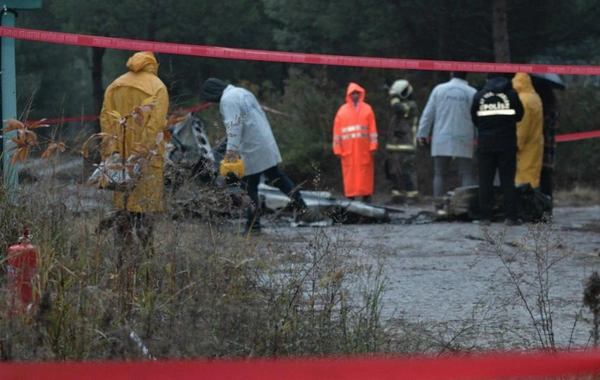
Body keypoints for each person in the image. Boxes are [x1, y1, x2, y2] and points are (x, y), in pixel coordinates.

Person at [200, 78, 307, 235]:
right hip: (263, 141)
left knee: (249, 186)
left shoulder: (227, 100)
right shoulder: (242, 92)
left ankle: (253, 225)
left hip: (252, 147)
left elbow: (234, 126)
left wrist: (230, 152)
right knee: (276, 176)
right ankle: (302, 207)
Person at [99, 51, 169, 253]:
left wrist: (113, 151)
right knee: (146, 214)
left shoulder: (115, 85)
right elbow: (154, 126)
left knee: (123, 212)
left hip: (118, 161)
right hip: (147, 161)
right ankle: (147, 260)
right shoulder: (157, 87)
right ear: (153, 65)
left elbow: (106, 119)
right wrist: (140, 154)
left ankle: (121, 258)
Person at [417, 72, 477, 214]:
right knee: (466, 173)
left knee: (440, 173)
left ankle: (439, 207)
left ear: (451, 74)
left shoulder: (439, 90)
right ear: (467, 75)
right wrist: (479, 137)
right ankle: (466, 206)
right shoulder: (472, 93)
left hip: (441, 136)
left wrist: (422, 133)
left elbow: (428, 113)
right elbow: (477, 118)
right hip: (464, 137)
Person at [471, 73, 524, 226]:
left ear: (487, 79)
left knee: (485, 181)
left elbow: (474, 118)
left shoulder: (479, 95)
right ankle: (510, 217)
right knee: (507, 180)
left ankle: (485, 217)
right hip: (507, 143)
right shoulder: (512, 95)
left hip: (485, 144)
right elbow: (520, 115)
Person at [333, 82, 378, 203]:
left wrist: (373, 147)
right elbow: (337, 133)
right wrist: (337, 150)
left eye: (357, 93)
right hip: (349, 151)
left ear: (361, 94)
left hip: (364, 150)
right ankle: (350, 198)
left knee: (365, 175)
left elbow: (372, 131)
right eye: (353, 93)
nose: (355, 96)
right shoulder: (342, 112)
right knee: (350, 176)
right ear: (349, 95)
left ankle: (366, 197)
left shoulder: (367, 109)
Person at [385, 79, 419, 203]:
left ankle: (412, 196)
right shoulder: (398, 106)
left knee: (407, 174)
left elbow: (399, 109)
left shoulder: (411, 106)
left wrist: (393, 96)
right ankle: (397, 196)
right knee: (394, 174)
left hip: (406, 147)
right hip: (395, 147)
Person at [512, 73, 544, 189]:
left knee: (523, 179)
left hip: (525, 146)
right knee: (533, 178)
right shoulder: (536, 97)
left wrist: (517, 145)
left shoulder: (523, 100)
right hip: (536, 143)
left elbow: (522, 126)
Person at [532, 81, 559, 203]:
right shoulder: (553, 109)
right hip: (549, 152)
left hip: (540, 151)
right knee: (546, 182)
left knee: (541, 183)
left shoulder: (543, 111)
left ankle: (543, 211)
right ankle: (547, 212)